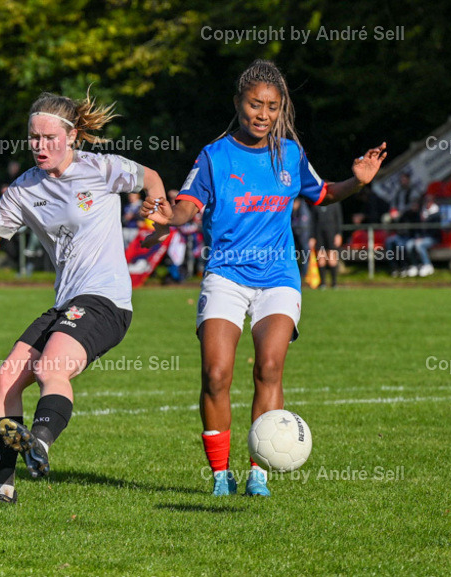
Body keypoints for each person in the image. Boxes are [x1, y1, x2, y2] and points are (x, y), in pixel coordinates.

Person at [141, 59, 386, 497]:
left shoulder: (290, 153)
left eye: (272, 106)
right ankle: (220, 476)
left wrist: (358, 180)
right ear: (238, 103)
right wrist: (166, 217)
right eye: (255, 104)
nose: (263, 114)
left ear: (281, 109)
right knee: (216, 374)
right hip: (226, 277)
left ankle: (259, 471)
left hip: (278, 278)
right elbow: (186, 207)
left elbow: (324, 194)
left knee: (269, 368)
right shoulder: (215, 157)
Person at [0, 90, 167, 506]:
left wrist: (156, 207)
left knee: (51, 367)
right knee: (5, 381)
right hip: (66, 302)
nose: (39, 146)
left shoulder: (102, 169)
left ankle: (41, 441)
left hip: (106, 301)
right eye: (33, 138)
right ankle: (1, 489)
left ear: (71, 137)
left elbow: (151, 177)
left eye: (49, 138)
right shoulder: (24, 188)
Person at [312, 201, 343, 288]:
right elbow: (313, 221)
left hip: (332, 233)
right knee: (321, 258)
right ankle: (323, 283)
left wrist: (339, 234)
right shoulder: (316, 203)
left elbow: (339, 220)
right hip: (319, 234)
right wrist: (312, 237)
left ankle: (334, 283)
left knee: (332, 258)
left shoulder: (335, 204)